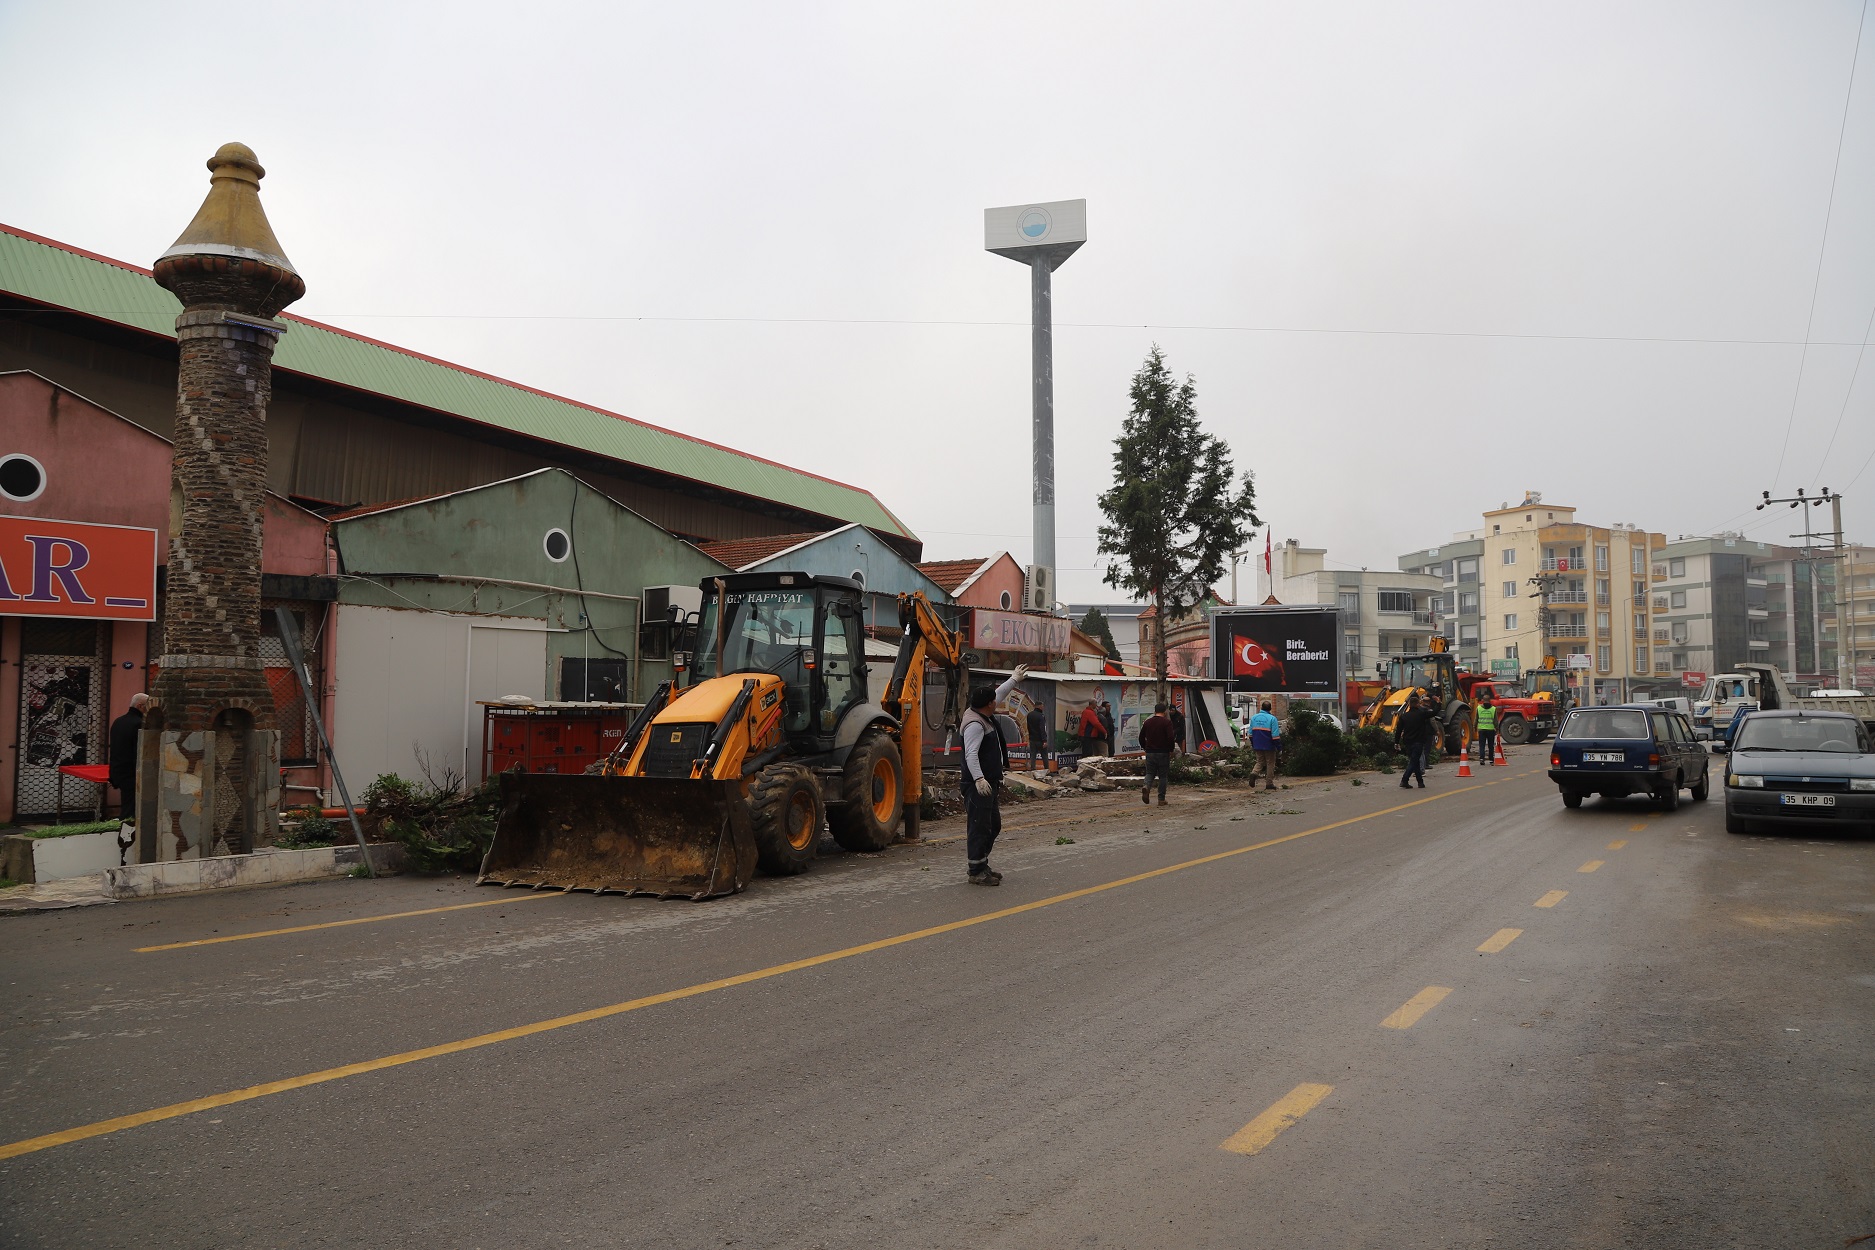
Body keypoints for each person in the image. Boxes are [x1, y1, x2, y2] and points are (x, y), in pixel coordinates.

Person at [961, 664, 1028, 885]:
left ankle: (982, 863)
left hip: (989, 782)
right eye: (994, 701)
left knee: (992, 825)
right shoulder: (975, 724)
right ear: (989, 704)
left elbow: (999, 693)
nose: (997, 702)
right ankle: (976, 871)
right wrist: (979, 779)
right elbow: (971, 754)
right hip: (978, 784)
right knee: (979, 826)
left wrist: (1014, 679)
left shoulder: (981, 711)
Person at [108, 692, 148, 864]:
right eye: (147, 706)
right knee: (130, 814)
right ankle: (124, 851)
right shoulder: (138, 724)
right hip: (132, 775)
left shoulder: (118, 722)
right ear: (140, 706)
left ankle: (124, 850)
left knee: (127, 808)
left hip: (118, 772)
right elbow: (137, 753)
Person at [1394, 692, 1439, 789]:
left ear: (1410, 705)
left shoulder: (1404, 716)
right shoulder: (1421, 714)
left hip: (1408, 742)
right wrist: (1438, 702)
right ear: (1417, 704)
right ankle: (1404, 780)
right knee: (1413, 761)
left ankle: (1420, 782)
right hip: (1418, 742)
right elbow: (1434, 712)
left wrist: (1396, 742)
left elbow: (1398, 731)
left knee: (1415, 761)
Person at [1138, 702, 1177, 806]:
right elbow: (1170, 737)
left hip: (1150, 752)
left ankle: (1146, 787)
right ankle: (1161, 799)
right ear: (1165, 712)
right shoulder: (1167, 722)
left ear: (1154, 711)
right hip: (1163, 752)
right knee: (1163, 776)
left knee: (1150, 773)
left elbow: (1141, 737)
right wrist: (1171, 749)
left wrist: (1145, 747)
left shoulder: (1148, 722)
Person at [1248, 701, 1282, 790]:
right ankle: (1269, 783)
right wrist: (1279, 748)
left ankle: (1253, 773)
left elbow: (1250, 734)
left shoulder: (1254, 718)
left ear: (1261, 708)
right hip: (1269, 745)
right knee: (1270, 763)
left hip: (1257, 744)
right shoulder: (1272, 719)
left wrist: (1254, 744)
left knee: (1259, 761)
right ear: (1270, 709)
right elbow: (1275, 736)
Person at [1024, 703, 1052, 772]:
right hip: (1040, 740)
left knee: (1033, 755)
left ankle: (1033, 770)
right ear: (1039, 706)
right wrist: (1044, 740)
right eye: (1042, 706)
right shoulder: (1041, 716)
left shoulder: (1029, 715)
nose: (1043, 707)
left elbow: (1028, 727)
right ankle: (1046, 770)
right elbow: (1042, 729)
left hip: (1032, 739)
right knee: (1044, 756)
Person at [1475, 689, 1499, 764]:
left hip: (1481, 730)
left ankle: (1482, 759)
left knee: (1482, 745)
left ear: (1483, 700)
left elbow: (1476, 719)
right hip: (1490, 730)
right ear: (1490, 700)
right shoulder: (1493, 709)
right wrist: (1497, 729)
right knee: (1491, 746)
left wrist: (1474, 727)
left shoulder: (1479, 708)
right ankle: (1491, 759)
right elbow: (1495, 720)